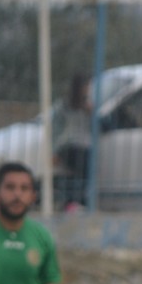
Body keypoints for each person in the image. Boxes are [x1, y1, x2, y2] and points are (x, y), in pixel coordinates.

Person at [51, 73, 91, 211]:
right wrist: (54, 151)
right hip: (69, 146)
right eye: (86, 85)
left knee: (83, 175)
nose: (88, 89)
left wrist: (92, 113)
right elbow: (55, 129)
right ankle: (73, 202)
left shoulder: (89, 105)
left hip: (85, 146)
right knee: (80, 173)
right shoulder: (64, 105)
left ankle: (75, 202)